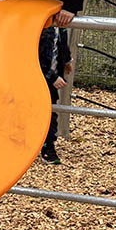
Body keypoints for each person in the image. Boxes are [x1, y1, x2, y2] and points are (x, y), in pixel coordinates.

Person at [37, 25, 73, 165]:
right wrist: (51, 77)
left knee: (50, 111)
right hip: (36, 75)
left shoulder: (59, 24)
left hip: (51, 75)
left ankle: (47, 145)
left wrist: (66, 60)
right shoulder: (40, 26)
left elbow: (62, 42)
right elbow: (34, 55)